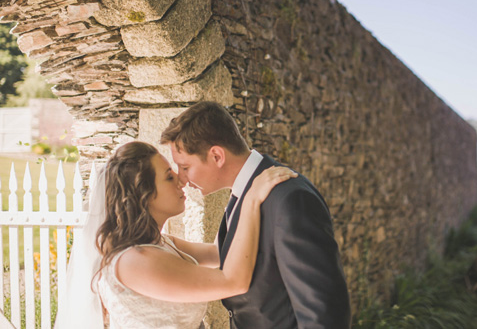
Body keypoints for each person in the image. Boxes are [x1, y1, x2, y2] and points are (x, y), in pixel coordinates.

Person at [54, 141, 296, 329]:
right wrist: (252, 199)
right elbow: (233, 281)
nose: (181, 181)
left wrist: (237, 189)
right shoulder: (135, 261)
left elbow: (220, 252)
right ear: (144, 195)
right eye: (169, 177)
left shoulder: (160, 244)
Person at [161, 101, 352, 329]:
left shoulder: (289, 199)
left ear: (217, 156)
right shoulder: (241, 193)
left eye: (185, 167)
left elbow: (324, 314)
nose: (182, 178)